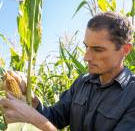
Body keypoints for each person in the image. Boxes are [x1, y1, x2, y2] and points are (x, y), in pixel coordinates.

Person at [0, 11, 135, 131]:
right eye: (86, 47)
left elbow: (44, 123)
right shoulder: (81, 83)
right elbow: (54, 117)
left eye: (97, 49)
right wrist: (32, 100)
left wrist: (36, 121)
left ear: (125, 50)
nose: (85, 57)